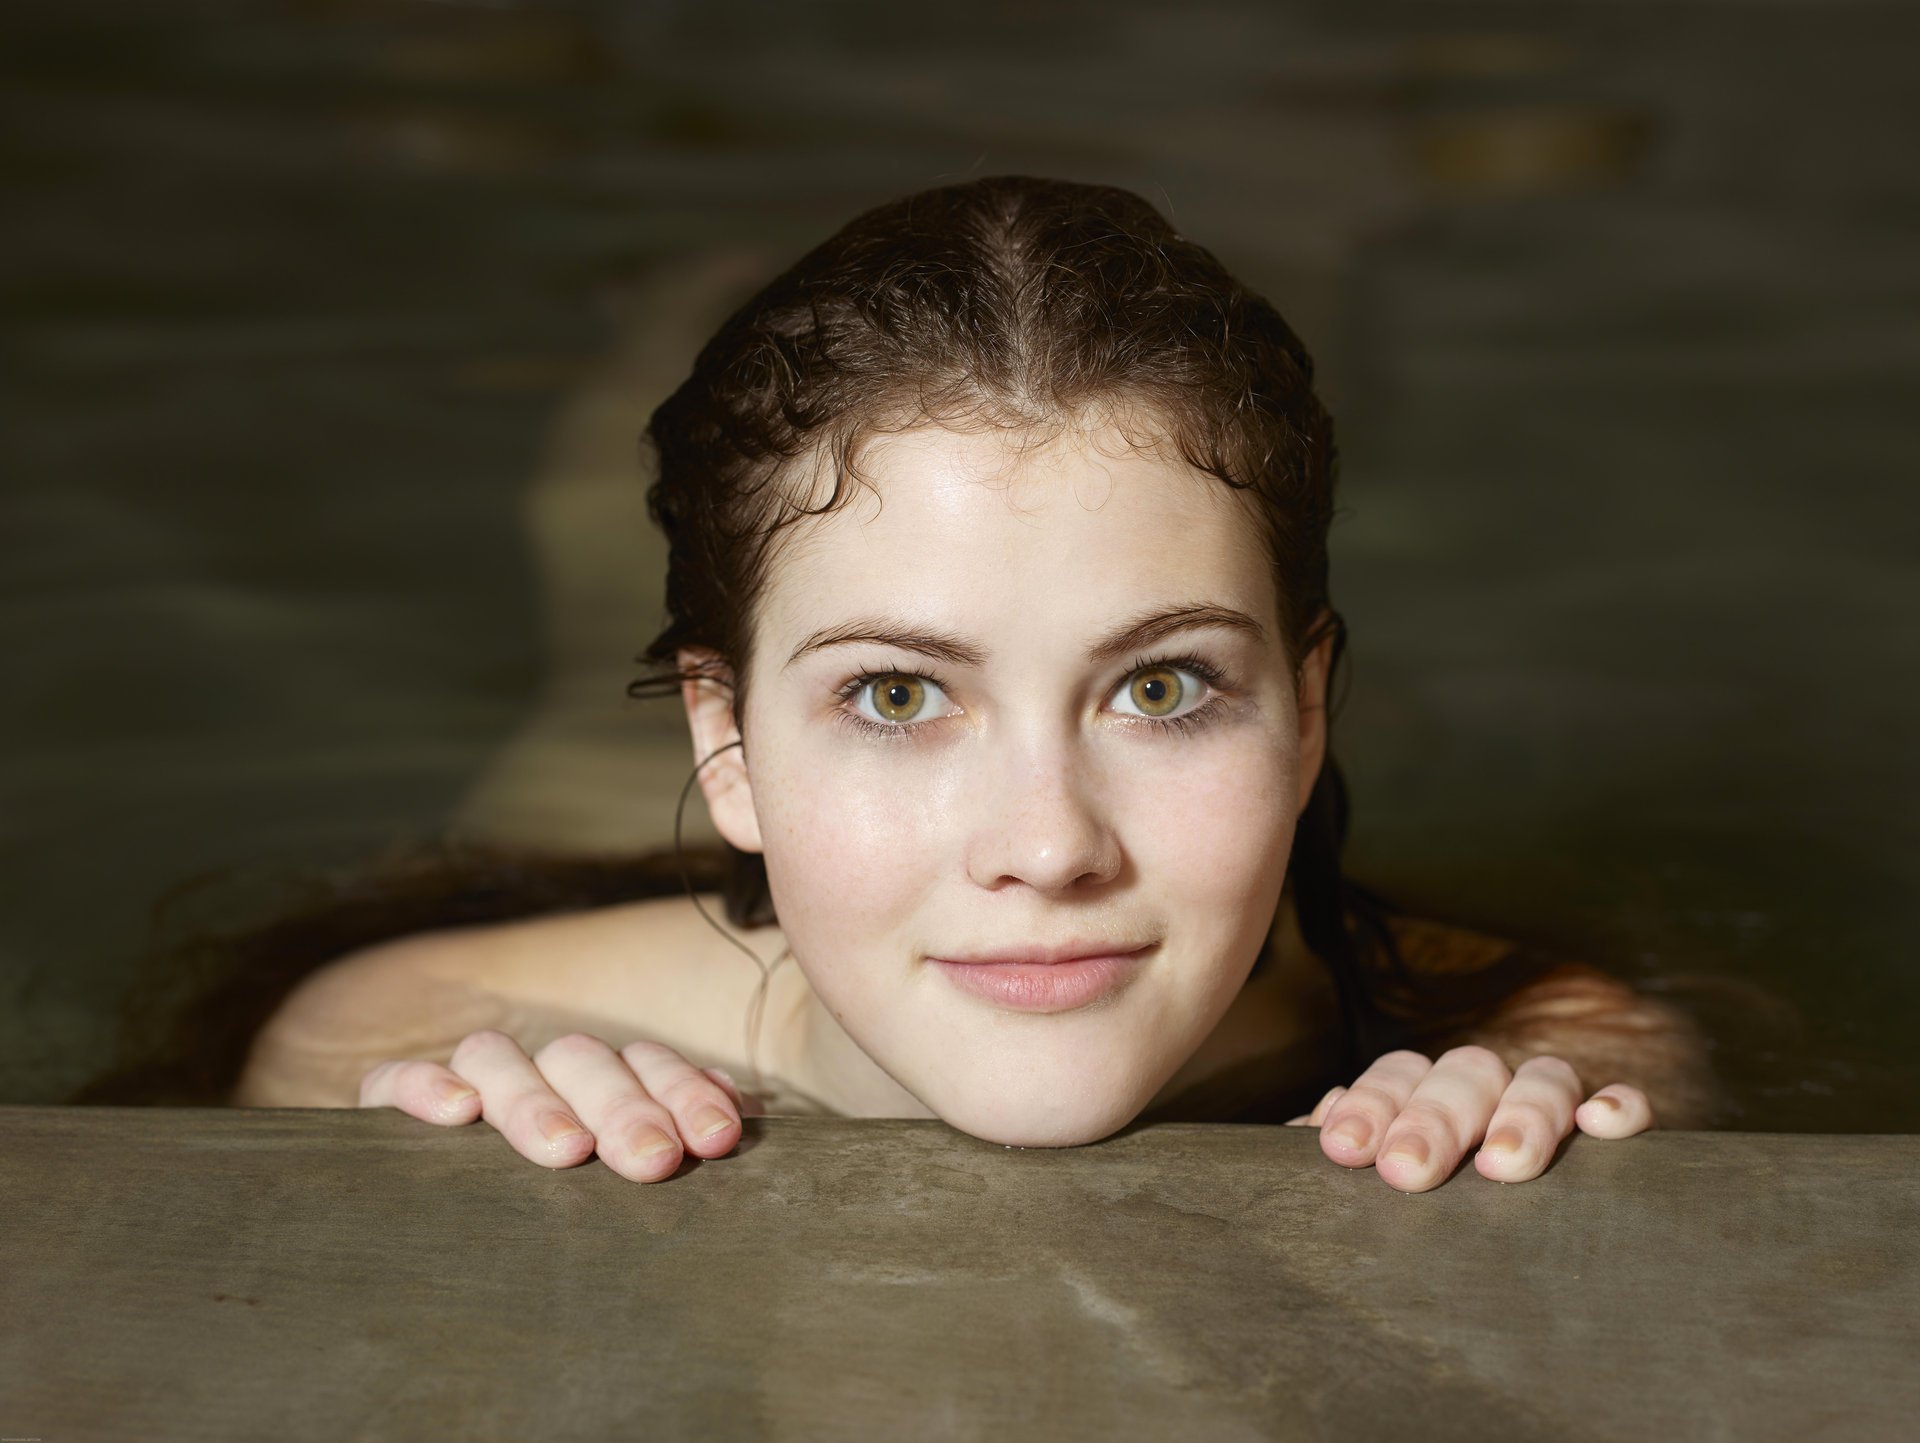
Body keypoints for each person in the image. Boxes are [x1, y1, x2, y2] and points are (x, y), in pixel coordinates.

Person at [201, 176, 1714, 1193]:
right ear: (724, 747)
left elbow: (1611, 1035)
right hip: (637, 870)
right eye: (901, 699)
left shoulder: (1495, 1028)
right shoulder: (433, 1013)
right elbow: (344, 1036)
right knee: (593, 648)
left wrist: (1536, 1087)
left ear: (1311, 712)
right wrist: (481, 1099)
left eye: (1167, 687)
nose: (1048, 846)